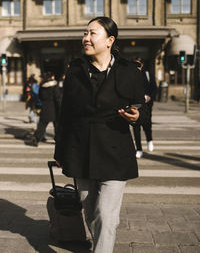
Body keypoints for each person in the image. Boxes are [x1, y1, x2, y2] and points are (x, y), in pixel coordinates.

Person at [54, 17, 147, 253]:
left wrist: (137, 117)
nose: (86, 38)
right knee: (91, 211)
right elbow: (65, 115)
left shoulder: (129, 72)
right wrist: (60, 152)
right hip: (80, 151)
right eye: (85, 33)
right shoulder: (75, 71)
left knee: (106, 214)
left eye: (92, 33)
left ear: (109, 40)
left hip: (115, 151)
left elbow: (143, 109)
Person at [27, 72, 61, 147]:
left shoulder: (42, 86)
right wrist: (60, 107)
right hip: (54, 108)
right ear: (51, 77)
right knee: (57, 126)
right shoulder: (55, 86)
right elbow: (57, 98)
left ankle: (36, 139)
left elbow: (40, 96)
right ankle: (58, 141)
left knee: (42, 125)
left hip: (45, 107)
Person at [133, 57, 158, 158]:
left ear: (142, 65)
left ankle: (149, 140)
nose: (137, 67)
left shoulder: (148, 74)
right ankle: (139, 149)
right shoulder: (131, 76)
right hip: (135, 105)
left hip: (147, 105)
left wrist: (149, 97)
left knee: (147, 125)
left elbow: (154, 88)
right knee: (136, 127)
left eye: (138, 64)